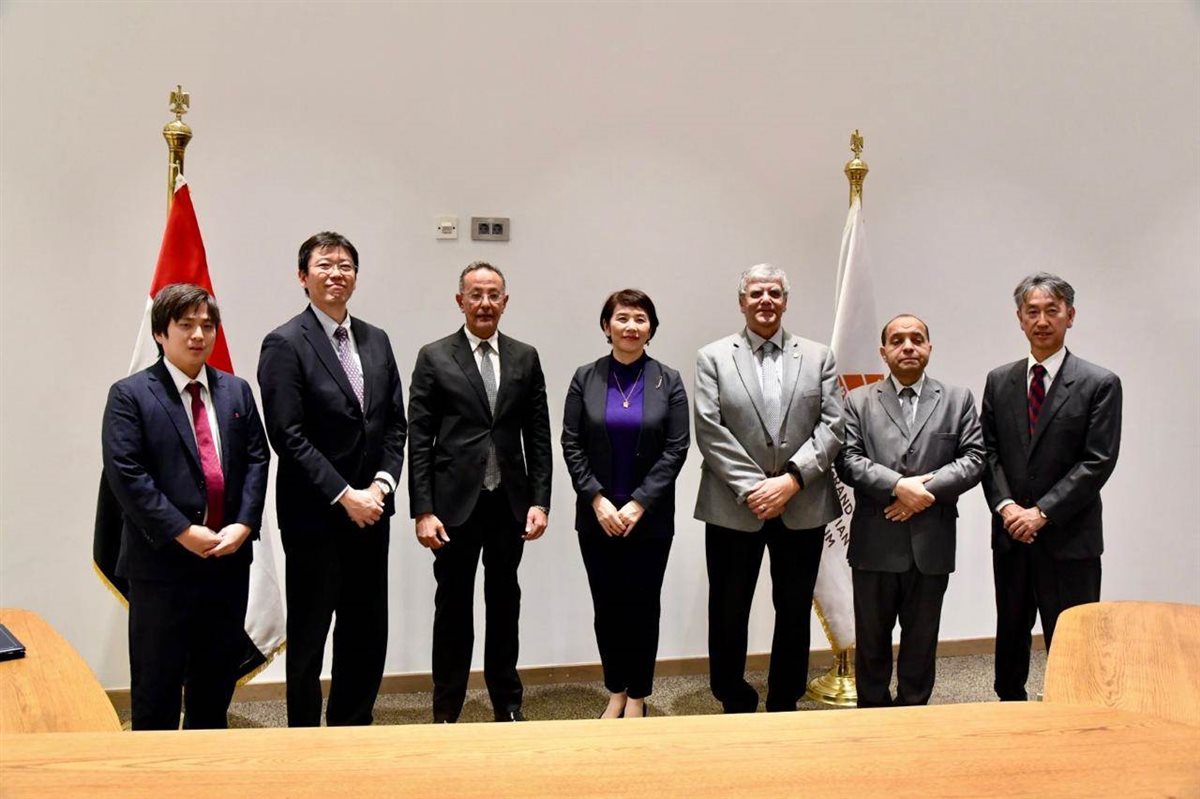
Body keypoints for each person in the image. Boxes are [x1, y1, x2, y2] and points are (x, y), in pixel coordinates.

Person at [102, 283, 269, 730]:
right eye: (186, 325)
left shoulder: (236, 391)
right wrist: (181, 530)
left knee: (214, 685)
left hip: (226, 560)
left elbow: (257, 459)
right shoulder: (131, 394)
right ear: (161, 332)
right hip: (162, 565)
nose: (198, 335)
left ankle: (207, 765)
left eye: (207, 325)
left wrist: (245, 524)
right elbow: (127, 474)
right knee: (156, 688)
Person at [257, 231, 407, 726]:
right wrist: (345, 495)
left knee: (366, 630)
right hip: (315, 516)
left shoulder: (376, 339)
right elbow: (288, 434)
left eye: (345, 265)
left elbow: (394, 424)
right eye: (324, 265)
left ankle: (353, 725)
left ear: (356, 278)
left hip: (372, 513)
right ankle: (303, 735)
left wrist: (381, 487)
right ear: (303, 277)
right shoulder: (284, 342)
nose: (336, 273)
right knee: (311, 634)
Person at [693, 263, 844, 713]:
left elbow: (833, 426)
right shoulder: (712, 357)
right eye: (756, 293)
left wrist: (791, 480)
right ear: (742, 302)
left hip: (802, 502)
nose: (766, 301)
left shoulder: (818, 357)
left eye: (774, 293)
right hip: (733, 505)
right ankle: (732, 697)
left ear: (785, 301)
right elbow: (709, 430)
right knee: (728, 609)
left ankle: (784, 698)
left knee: (794, 608)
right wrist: (756, 489)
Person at [407, 261, 552, 723]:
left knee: (505, 604)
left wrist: (540, 501)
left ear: (505, 302)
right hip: (453, 508)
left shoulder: (525, 357)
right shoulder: (434, 356)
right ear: (460, 301)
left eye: (493, 295)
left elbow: (538, 436)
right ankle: (446, 709)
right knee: (452, 608)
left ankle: (507, 704)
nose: (485, 303)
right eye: (476, 295)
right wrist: (423, 509)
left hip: (509, 504)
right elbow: (419, 438)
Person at [982, 272, 1122, 701]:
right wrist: (1007, 507)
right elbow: (988, 453)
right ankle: (1010, 708)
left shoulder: (1100, 383)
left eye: (1052, 311)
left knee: (1072, 639)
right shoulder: (999, 381)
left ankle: (1073, 713)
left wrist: (1041, 513)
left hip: (1069, 537)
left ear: (1070, 316)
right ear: (1020, 319)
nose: (1042, 321)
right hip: (1012, 535)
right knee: (1011, 632)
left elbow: (1097, 461)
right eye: (1032, 312)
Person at [836, 314, 985, 707]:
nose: (908, 347)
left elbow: (974, 459)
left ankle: (914, 713)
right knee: (872, 642)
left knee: (921, 641)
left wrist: (922, 492)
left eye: (917, 339)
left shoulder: (957, 399)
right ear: (883, 352)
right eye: (897, 340)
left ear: (929, 348)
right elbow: (847, 460)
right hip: (875, 543)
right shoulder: (858, 401)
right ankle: (873, 714)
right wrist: (898, 486)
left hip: (930, 541)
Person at [561, 289, 690, 719]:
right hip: (597, 517)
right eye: (622, 318)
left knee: (643, 607)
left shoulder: (668, 380)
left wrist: (638, 503)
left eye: (640, 319)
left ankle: (638, 696)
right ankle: (615, 689)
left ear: (651, 328)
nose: (631, 326)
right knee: (607, 607)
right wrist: (596, 499)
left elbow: (677, 447)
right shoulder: (586, 377)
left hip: (648, 519)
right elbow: (571, 443)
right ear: (606, 326)